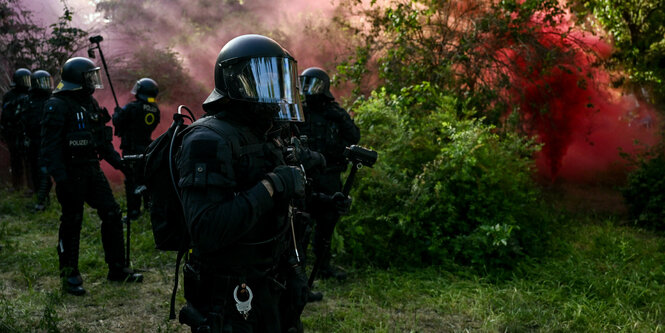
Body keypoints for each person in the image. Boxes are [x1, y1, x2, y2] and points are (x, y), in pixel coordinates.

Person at [176, 34, 308, 332]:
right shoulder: (208, 139)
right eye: (264, 81)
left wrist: (293, 268)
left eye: (278, 81)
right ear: (236, 81)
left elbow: (282, 216)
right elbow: (207, 229)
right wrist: (271, 185)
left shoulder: (265, 134)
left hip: (270, 278)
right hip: (227, 290)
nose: (274, 93)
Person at [40, 57, 142, 296]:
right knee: (72, 221)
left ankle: (117, 268)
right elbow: (49, 148)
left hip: (91, 171)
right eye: (89, 76)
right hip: (70, 173)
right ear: (77, 79)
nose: (93, 81)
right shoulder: (57, 105)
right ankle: (70, 276)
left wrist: (121, 166)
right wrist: (60, 178)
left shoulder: (90, 103)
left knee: (112, 213)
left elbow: (103, 144)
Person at [296, 67, 360, 282]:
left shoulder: (335, 114)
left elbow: (354, 137)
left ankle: (323, 267)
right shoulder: (299, 112)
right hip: (306, 176)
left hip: (330, 176)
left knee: (327, 224)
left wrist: (341, 118)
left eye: (313, 85)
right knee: (302, 224)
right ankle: (299, 272)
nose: (308, 90)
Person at [112, 77, 160, 219]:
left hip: (131, 149)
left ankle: (133, 212)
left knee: (132, 180)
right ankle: (148, 207)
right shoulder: (155, 110)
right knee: (145, 178)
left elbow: (118, 122)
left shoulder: (133, 107)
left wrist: (117, 114)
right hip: (146, 147)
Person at [23, 70, 54, 210]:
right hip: (33, 141)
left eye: (47, 82)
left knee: (44, 172)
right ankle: (38, 195)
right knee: (35, 170)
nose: (46, 86)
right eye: (42, 82)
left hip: (47, 141)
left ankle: (43, 200)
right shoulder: (28, 100)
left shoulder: (52, 100)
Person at [1, 68, 31, 191]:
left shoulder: (30, 95)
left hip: (26, 132)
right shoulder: (9, 96)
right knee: (15, 160)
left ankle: (31, 187)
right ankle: (17, 186)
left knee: (29, 161)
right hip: (13, 132)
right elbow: (5, 115)